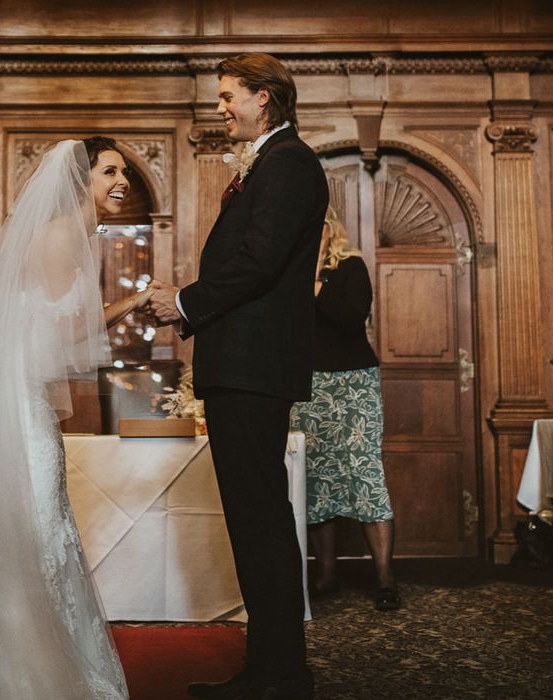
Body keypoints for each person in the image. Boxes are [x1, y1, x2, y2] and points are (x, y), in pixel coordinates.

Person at [0, 137, 153, 699]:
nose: (122, 182)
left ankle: (31, 668)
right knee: (42, 533)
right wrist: (133, 303)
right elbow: (61, 334)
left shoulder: (75, 234)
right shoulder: (65, 235)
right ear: (80, 181)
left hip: (24, 404)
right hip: (22, 412)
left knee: (42, 534)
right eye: (110, 172)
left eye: (123, 172)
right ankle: (35, 677)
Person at [149, 53, 328, 700]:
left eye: (229, 96)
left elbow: (258, 260)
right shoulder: (274, 163)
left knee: (261, 523)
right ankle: (272, 669)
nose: (220, 107)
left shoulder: (289, 165)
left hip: (253, 368)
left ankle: (281, 675)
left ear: (266, 97)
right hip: (243, 366)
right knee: (256, 522)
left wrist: (186, 302)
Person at [290, 206, 400, 612]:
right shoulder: (286, 274)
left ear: (329, 228)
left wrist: (316, 283)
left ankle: (386, 578)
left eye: (314, 228)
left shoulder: (351, 266)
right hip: (308, 385)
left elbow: (352, 320)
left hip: (354, 382)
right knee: (316, 477)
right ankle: (326, 575)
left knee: (364, 472)